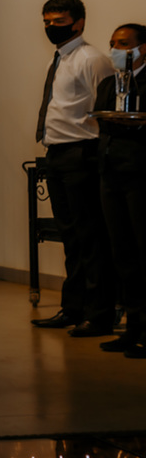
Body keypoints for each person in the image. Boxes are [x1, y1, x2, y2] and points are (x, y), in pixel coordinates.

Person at [31, 0, 117, 336]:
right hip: (57, 154)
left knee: (90, 237)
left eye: (59, 21)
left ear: (78, 22)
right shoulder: (60, 59)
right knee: (71, 237)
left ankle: (99, 315)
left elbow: (105, 109)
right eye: (47, 22)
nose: (52, 27)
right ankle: (73, 307)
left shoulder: (92, 59)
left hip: (82, 153)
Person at [95, 24, 146, 357]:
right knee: (123, 254)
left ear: (143, 48)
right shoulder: (108, 83)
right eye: (112, 44)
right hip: (111, 174)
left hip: (141, 175)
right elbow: (103, 121)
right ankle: (133, 329)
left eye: (124, 44)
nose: (116, 50)